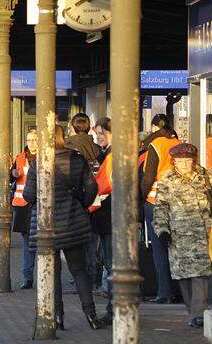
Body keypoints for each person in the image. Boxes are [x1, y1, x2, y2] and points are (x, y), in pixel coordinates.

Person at [24, 124, 103, 331]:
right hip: (72, 221)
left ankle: (57, 316)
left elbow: (29, 196)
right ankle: (91, 316)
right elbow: (93, 186)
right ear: (62, 136)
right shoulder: (77, 159)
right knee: (79, 270)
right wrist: (82, 205)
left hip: (46, 224)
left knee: (53, 273)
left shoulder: (39, 163)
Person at [152, 143, 212, 327]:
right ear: (174, 161)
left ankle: (198, 313)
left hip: (204, 232)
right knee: (183, 276)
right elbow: (161, 206)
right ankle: (192, 312)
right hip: (179, 236)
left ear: (193, 160)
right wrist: (162, 230)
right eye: (180, 161)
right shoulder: (166, 180)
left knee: (200, 275)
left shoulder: (206, 175)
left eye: (187, 160)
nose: (184, 164)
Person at [140, 114, 181, 303]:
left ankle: (164, 292)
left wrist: (139, 198)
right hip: (178, 202)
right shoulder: (180, 145)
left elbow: (148, 178)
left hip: (155, 202)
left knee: (159, 247)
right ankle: (180, 290)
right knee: (177, 246)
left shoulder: (155, 146)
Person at [66, 113, 102, 289]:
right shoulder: (97, 148)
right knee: (93, 241)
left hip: (77, 200)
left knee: (77, 242)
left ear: (73, 128)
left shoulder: (69, 146)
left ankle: (82, 278)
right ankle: (95, 276)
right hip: (97, 201)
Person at [90, 117, 114, 324]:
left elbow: (103, 186)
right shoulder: (107, 154)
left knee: (113, 264)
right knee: (111, 262)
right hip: (108, 218)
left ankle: (115, 310)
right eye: (96, 134)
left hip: (110, 218)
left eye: (101, 133)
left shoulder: (113, 156)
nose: (98, 137)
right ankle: (114, 308)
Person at [11, 130, 38, 289]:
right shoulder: (20, 158)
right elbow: (12, 175)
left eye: (35, 139)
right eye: (29, 139)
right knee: (27, 242)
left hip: (39, 205)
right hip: (22, 206)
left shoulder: (46, 156)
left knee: (42, 242)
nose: (32, 142)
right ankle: (27, 278)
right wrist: (13, 173)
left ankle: (45, 276)